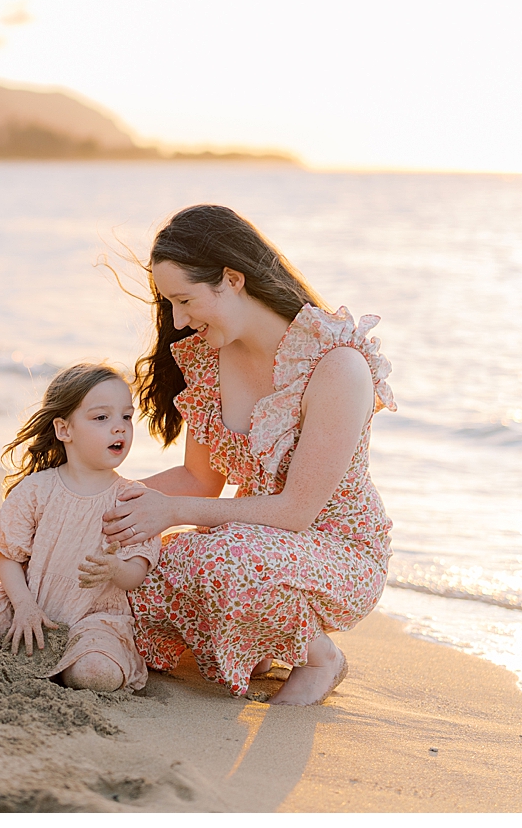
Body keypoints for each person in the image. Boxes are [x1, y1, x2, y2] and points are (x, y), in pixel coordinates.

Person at [101, 203, 396, 705]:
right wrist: (99, 498)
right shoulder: (210, 359)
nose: (178, 319)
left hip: (337, 549)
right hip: (249, 538)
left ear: (232, 279)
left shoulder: (337, 365)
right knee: (134, 581)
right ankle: (256, 637)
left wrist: (170, 513)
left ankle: (320, 656)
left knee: (217, 560)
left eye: (185, 299)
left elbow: (296, 511)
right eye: (169, 303)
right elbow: (199, 481)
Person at [0, 362, 160, 693]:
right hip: (24, 600)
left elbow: (136, 573)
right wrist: (23, 605)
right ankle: (23, 644)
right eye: (101, 418)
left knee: (96, 675)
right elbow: (8, 558)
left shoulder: (134, 499)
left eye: (126, 416)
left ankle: (72, 662)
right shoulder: (36, 490)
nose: (120, 428)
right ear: (64, 429)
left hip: (93, 616)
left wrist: (114, 569)